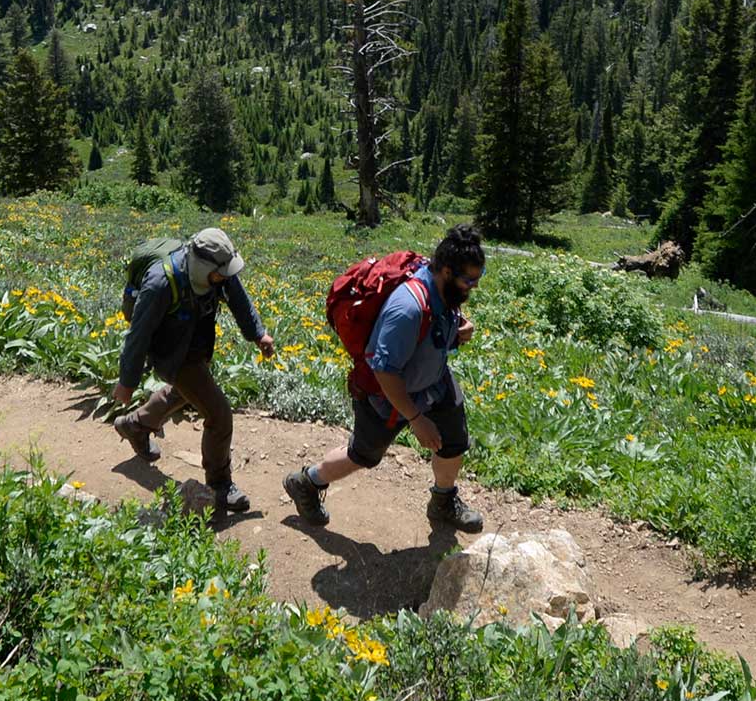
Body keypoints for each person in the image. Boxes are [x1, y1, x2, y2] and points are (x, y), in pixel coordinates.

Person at [285, 223, 487, 533]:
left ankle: (443, 501)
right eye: (468, 280)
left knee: (454, 440)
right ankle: (307, 482)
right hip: (387, 393)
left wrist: (458, 329)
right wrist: (417, 418)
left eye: (477, 278)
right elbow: (384, 370)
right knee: (364, 455)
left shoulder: (442, 286)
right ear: (446, 271)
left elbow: (439, 319)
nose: (473, 286)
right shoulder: (407, 309)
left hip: (433, 379)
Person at [110, 226, 276, 517]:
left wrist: (258, 333)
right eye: (221, 274)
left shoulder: (218, 271)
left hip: (196, 340)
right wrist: (127, 381)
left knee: (189, 392)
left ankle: (136, 425)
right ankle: (220, 485)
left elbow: (239, 298)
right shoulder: (160, 284)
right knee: (219, 413)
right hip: (170, 351)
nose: (225, 278)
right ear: (202, 266)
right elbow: (138, 334)